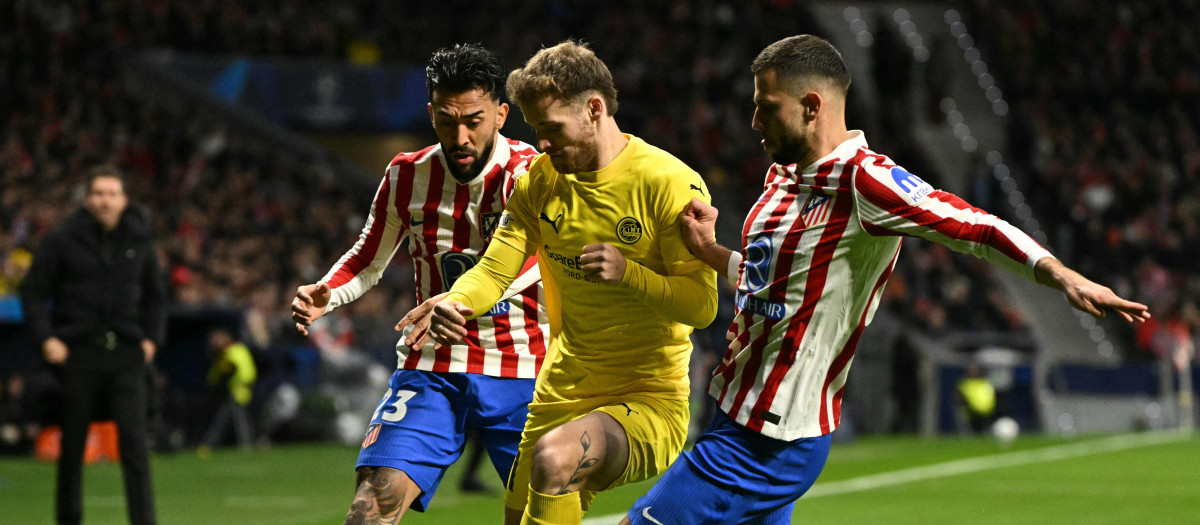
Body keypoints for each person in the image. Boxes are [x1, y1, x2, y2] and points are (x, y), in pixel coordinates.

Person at [621, 35, 1151, 525]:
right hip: (733, 411)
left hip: (771, 438)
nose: (754, 120)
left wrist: (1061, 275)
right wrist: (711, 252)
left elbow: (976, 226)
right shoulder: (782, 179)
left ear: (812, 107)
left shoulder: (864, 180)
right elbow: (772, 287)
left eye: (767, 106)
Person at [408, 40, 718, 525]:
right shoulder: (540, 180)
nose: (543, 143)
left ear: (595, 109)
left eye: (551, 128)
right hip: (560, 393)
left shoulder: (667, 181)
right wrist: (457, 303)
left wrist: (631, 274)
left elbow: (703, 307)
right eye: (536, 130)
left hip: (647, 397)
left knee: (556, 459)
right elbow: (494, 269)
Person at [289, 43, 550, 523]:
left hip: (525, 370)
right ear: (431, 113)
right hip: (432, 369)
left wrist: (458, 301)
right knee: (367, 512)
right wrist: (327, 291)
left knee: (537, 518)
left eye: (474, 119)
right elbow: (367, 259)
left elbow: (538, 260)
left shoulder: (529, 172)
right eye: (447, 121)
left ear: (501, 114)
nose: (461, 135)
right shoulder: (406, 174)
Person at [20, 165, 166, 525]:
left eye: (112, 194)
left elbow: (157, 297)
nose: (105, 201)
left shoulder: (140, 240)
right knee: (71, 449)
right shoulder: (62, 239)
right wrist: (46, 339)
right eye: (98, 194)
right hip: (78, 354)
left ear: (124, 199)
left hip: (127, 355)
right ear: (87, 199)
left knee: (134, 449)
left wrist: (152, 339)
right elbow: (33, 292)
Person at [200, 328, 257, 451]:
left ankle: (245, 445)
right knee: (236, 420)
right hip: (240, 389)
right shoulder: (237, 349)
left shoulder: (231, 352)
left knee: (234, 421)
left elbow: (229, 370)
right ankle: (246, 445)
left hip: (236, 390)